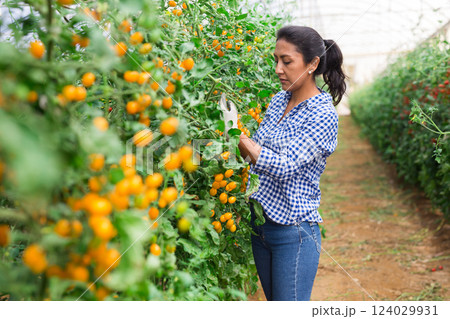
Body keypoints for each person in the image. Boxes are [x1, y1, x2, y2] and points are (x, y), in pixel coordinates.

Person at [220, 25, 347, 301]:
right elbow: (253, 154)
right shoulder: (279, 100)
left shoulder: (323, 114)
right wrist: (227, 137)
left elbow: (285, 166)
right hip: (261, 225)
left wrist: (235, 131)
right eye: (276, 60)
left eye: (287, 61)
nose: (278, 68)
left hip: (294, 233)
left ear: (313, 63)